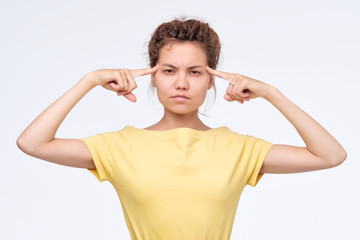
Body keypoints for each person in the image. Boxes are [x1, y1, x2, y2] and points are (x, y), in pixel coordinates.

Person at [17, 17, 347, 239]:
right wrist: (88, 80)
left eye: (194, 72)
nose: (181, 84)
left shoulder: (238, 149)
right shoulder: (120, 146)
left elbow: (330, 155)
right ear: (152, 76)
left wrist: (272, 93)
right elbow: (32, 143)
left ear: (211, 80)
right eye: (169, 70)